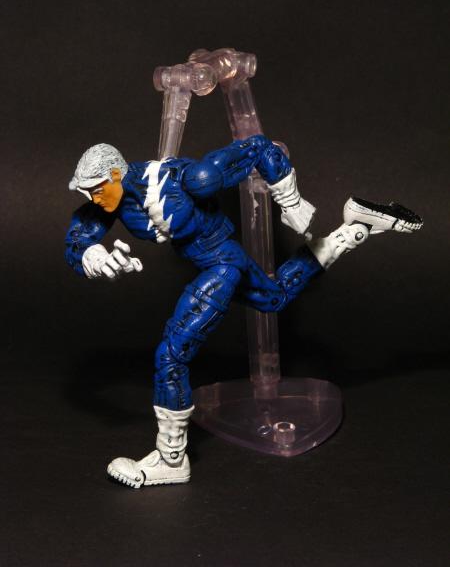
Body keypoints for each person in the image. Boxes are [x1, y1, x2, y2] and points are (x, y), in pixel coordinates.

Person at [65, 136, 422, 488]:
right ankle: (353, 230)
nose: (93, 198)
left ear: (116, 175)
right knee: (274, 298)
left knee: (171, 355)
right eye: (86, 193)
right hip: (217, 260)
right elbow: (77, 240)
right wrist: (95, 257)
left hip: (221, 266)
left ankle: (171, 460)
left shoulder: (187, 179)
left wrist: (291, 201)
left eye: (96, 190)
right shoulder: (111, 200)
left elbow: (258, 148)